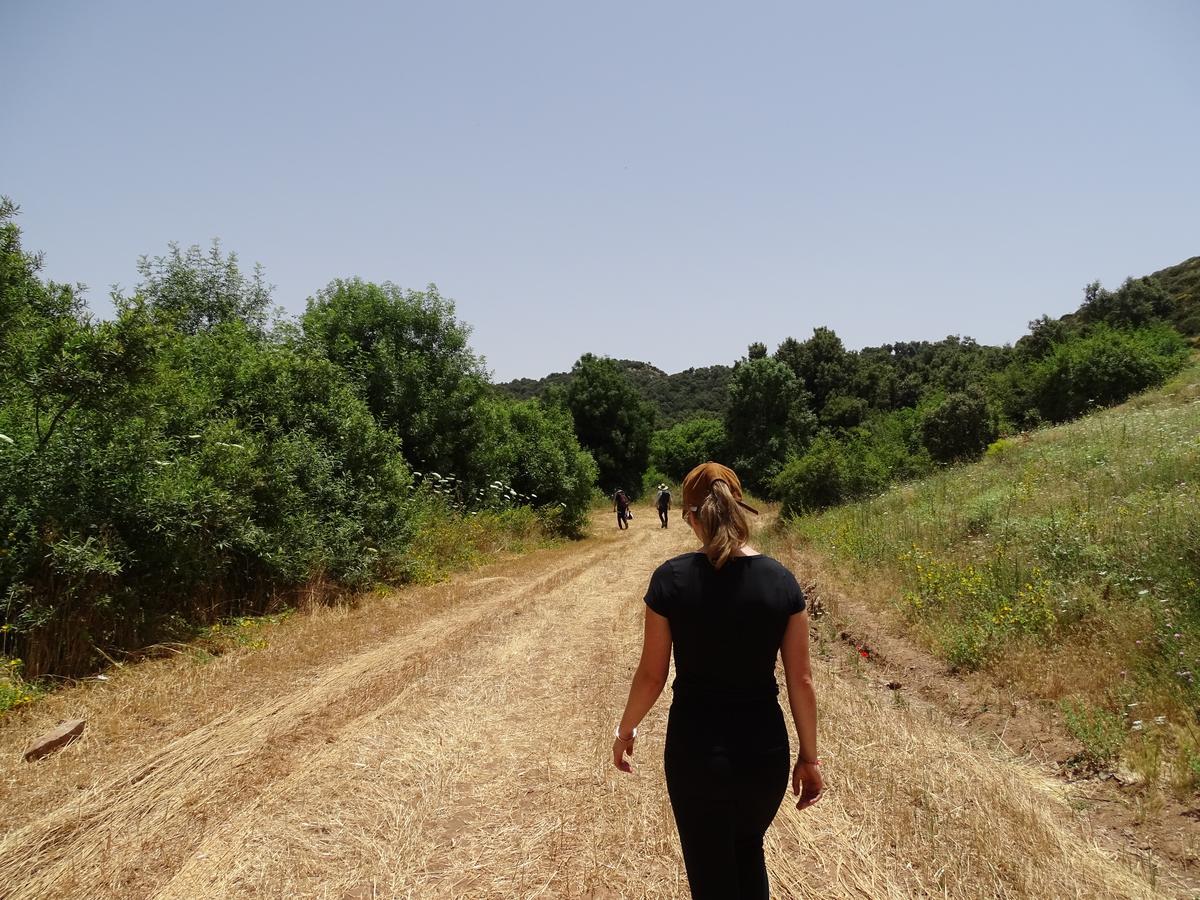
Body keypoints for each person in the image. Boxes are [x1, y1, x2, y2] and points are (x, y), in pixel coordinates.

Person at [611, 461, 822, 899]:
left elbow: (652, 675)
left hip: (696, 756)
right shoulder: (781, 581)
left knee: (711, 877)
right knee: (748, 851)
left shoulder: (671, 579)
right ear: (738, 507)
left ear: (691, 516)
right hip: (764, 756)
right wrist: (810, 757)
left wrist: (625, 728)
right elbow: (800, 680)